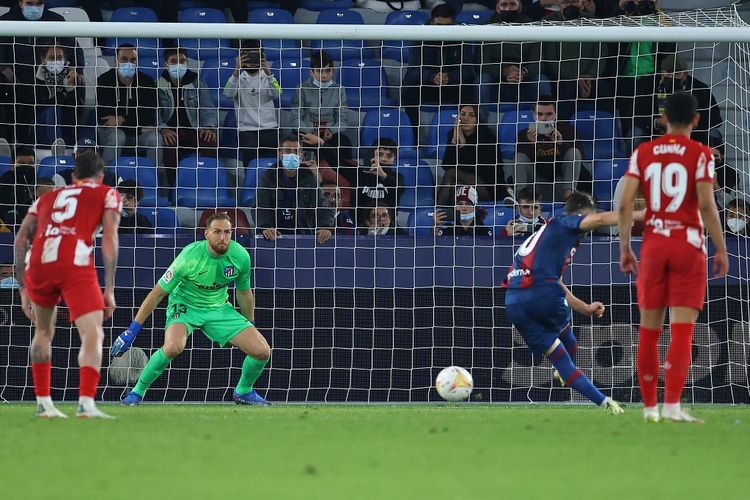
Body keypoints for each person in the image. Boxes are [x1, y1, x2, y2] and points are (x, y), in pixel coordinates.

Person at [618, 91, 729, 423]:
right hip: (688, 245)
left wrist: (625, 247)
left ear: (663, 119)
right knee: (682, 331)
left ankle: (650, 409)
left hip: (653, 245)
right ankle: (673, 407)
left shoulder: (644, 152)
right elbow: (707, 205)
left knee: (648, 331)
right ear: (696, 120)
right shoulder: (701, 153)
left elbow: (625, 204)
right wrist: (721, 247)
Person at [111, 212, 272, 406]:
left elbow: (244, 293)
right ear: (206, 234)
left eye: (228, 232)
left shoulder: (240, 256)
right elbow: (157, 293)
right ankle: (136, 393)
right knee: (173, 347)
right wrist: (132, 330)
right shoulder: (189, 257)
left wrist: (250, 324)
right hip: (185, 306)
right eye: (217, 232)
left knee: (262, 351)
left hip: (218, 308)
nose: (223, 237)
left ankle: (244, 391)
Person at [503, 191, 641, 413]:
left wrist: (585, 308)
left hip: (514, 301)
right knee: (566, 337)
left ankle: (603, 401)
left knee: (561, 355)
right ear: (584, 212)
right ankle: (580, 383)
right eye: (590, 214)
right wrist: (642, 215)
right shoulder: (565, 222)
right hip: (543, 294)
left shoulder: (550, 233)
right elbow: (600, 219)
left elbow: (555, 281)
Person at [13, 150, 121, 418]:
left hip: (38, 262)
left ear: (73, 177)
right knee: (93, 334)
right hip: (74, 261)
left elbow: (20, 240)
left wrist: (22, 287)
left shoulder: (47, 197)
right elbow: (109, 238)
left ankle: (43, 404)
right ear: (101, 176)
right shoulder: (107, 193)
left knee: (42, 332)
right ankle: (85, 403)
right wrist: (108, 288)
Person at [0, 0, 85, 146]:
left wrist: (77, 68)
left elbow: (73, 48)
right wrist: (3, 68)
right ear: (21, 3)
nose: (34, 7)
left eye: (38, 3)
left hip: (49, 77)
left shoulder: (56, 20)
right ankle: (9, 142)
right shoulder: (5, 22)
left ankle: (66, 143)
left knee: (73, 86)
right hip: (16, 80)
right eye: (30, 3)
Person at [146, 47, 218, 188]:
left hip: (194, 129)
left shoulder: (197, 81)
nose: (178, 64)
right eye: (174, 61)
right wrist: (163, 128)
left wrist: (209, 127)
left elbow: (207, 106)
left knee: (210, 140)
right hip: (172, 130)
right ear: (166, 64)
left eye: (182, 61)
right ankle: (173, 187)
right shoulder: (157, 85)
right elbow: (154, 112)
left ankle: (210, 184)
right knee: (169, 142)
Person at [401, 3, 476, 128]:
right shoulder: (419, 37)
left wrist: (450, 77)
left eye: (447, 26)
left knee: (468, 91)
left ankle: (465, 139)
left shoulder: (464, 36)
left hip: (452, 86)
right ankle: (412, 140)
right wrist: (432, 77)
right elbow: (413, 71)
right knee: (411, 91)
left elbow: (468, 71)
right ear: (431, 22)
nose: (443, 30)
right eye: (439, 25)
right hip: (427, 86)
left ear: (453, 24)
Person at [541, 0, 614, 120]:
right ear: (559, 4)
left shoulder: (592, 21)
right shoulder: (548, 22)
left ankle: (607, 128)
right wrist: (576, 78)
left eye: (574, 2)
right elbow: (550, 61)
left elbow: (601, 54)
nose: (570, 5)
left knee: (604, 88)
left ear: (581, 3)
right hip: (562, 78)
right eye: (566, 2)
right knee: (567, 89)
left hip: (590, 78)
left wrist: (589, 76)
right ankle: (564, 130)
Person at [255, 135, 334, 244]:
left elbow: (322, 204)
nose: (292, 155)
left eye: (295, 151)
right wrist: (265, 227)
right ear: (279, 154)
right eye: (287, 151)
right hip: (274, 235)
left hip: (302, 235)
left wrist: (325, 226)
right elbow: (260, 204)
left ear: (301, 156)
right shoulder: (268, 176)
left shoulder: (309, 177)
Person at [96, 44, 159, 165]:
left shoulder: (147, 82)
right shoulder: (104, 80)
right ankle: (108, 178)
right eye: (124, 59)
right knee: (117, 136)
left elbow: (150, 116)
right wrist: (138, 123)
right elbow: (104, 117)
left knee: (156, 138)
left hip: (138, 135)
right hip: (112, 133)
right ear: (116, 60)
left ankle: (153, 178)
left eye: (133, 60)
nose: (129, 63)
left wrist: (122, 120)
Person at [511, 98, 583, 201]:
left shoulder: (569, 131)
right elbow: (520, 161)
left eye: (549, 114)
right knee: (519, 157)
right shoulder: (524, 135)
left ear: (556, 115)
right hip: (534, 183)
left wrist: (560, 143)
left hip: (562, 182)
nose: (544, 118)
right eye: (540, 114)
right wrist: (531, 143)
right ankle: (521, 200)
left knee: (574, 152)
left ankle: (569, 198)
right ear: (534, 115)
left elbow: (580, 156)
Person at [292, 51, 352, 172]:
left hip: (330, 134)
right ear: (311, 72)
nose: (324, 75)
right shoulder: (301, 89)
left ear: (333, 71)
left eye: (328, 71)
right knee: (293, 142)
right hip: (307, 132)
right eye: (319, 71)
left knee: (345, 143)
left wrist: (332, 130)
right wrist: (308, 131)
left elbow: (343, 119)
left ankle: (344, 177)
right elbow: (295, 118)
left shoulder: (339, 90)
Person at [642, 55, 723, 145]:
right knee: (635, 134)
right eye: (668, 73)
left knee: (714, 134)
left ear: (685, 75)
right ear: (661, 73)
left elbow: (716, 119)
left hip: (693, 133)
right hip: (656, 131)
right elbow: (638, 115)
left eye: (676, 74)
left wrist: (691, 123)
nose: (671, 77)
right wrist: (657, 122)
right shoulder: (649, 86)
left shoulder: (700, 88)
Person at [223, 39, 280, 166]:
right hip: (247, 131)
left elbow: (277, 93)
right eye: (248, 55)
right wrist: (236, 70)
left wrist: (268, 72)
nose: (252, 59)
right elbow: (227, 93)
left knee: (274, 167)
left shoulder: (268, 77)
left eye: (255, 55)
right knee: (250, 166)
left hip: (269, 129)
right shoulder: (238, 78)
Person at [478, 0, 543, 112]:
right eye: (504, 5)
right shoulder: (485, 27)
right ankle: (482, 124)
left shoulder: (532, 27)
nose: (508, 9)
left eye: (513, 4)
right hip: (495, 72)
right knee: (482, 80)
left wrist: (523, 72)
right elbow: (481, 62)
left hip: (523, 73)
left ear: (520, 7)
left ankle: (543, 123)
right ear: (498, 7)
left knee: (542, 81)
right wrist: (504, 70)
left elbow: (537, 61)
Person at [438, 103, 501, 207]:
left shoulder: (487, 137)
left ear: (477, 119)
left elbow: (479, 169)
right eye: (462, 114)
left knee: (452, 173)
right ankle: (453, 217)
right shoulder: (453, 134)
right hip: (465, 183)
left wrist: (463, 144)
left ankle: (439, 210)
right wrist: (456, 137)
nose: (465, 118)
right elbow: (446, 164)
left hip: (488, 186)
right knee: (456, 186)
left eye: (471, 115)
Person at [33, 44, 85, 150]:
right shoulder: (34, 80)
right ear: (43, 60)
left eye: (60, 58)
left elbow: (77, 113)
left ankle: (60, 147)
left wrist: (70, 88)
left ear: (65, 59)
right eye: (52, 58)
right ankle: (57, 148)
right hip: (40, 127)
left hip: (66, 126)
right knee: (53, 110)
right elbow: (36, 108)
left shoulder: (75, 79)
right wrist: (63, 92)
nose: (56, 61)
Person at [354, 138, 404, 212]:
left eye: (389, 156)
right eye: (380, 155)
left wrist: (383, 175)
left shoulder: (397, 177)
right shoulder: (359, 174)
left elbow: (400, 190)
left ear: (394, 159)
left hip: (387, 221)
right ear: (372, 155)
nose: (384, 159)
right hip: (362, 221)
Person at [0, 145, 36, 225]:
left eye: (30, 163)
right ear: (12, 165)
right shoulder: (4, 182)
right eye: (21, 163)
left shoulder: (37, 181)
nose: (26, 167)